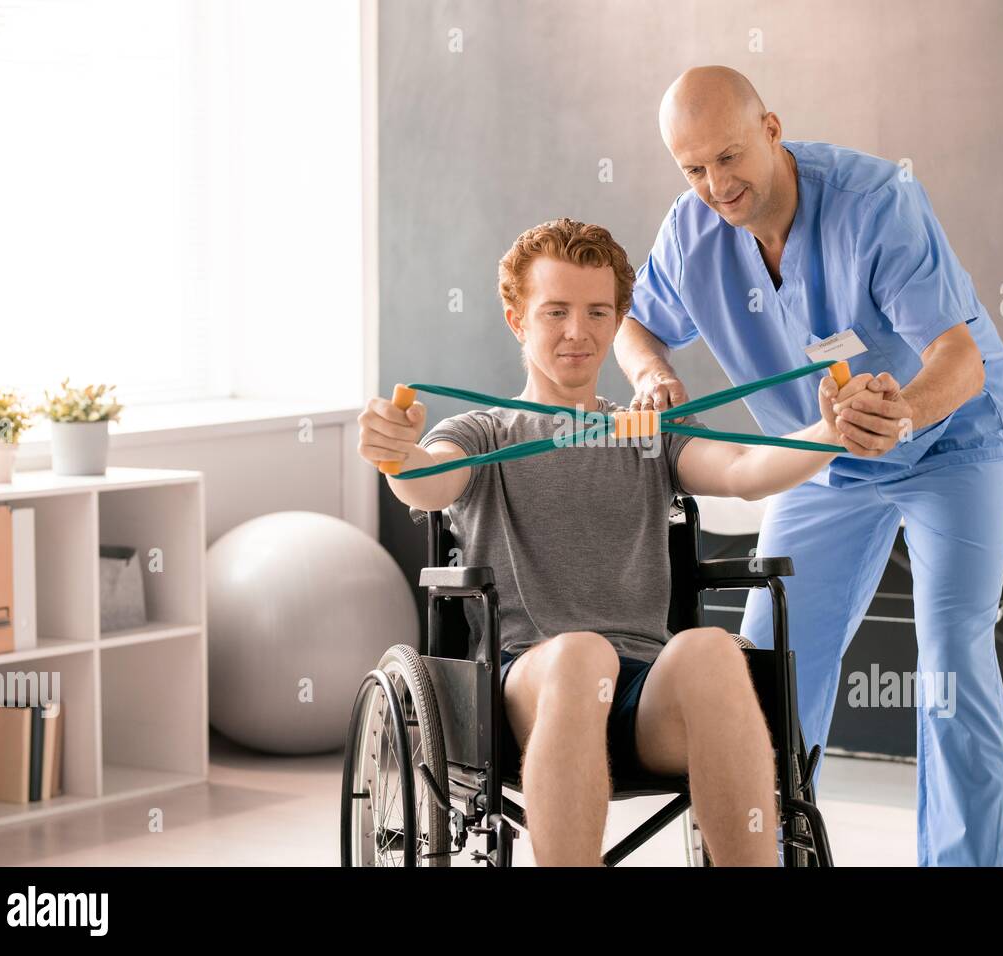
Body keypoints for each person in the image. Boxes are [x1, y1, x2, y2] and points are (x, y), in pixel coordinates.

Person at [358, 218, 870, 866]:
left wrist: (829, 431)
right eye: (556, 311)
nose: (579, 331)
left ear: (619, 317)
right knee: (580, 656)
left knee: (713, 648)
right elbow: (428, 481)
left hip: (639, 698)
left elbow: (745, 471)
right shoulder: (484, 430)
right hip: (524, 690)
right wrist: (398, 456)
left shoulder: (648, 432)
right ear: (517, 319)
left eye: (599, 311)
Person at [615, 66, 1003, 866]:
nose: (716, 185)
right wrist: (650, 374)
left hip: (949, 442)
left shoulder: (875, 203)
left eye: (729, 158)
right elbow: (635, 325)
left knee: (950, 661)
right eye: (692, 169)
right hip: (823, 459)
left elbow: (958, 357)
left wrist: (902, 411)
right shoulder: (692, 231)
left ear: (771, 129)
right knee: (764, 669)